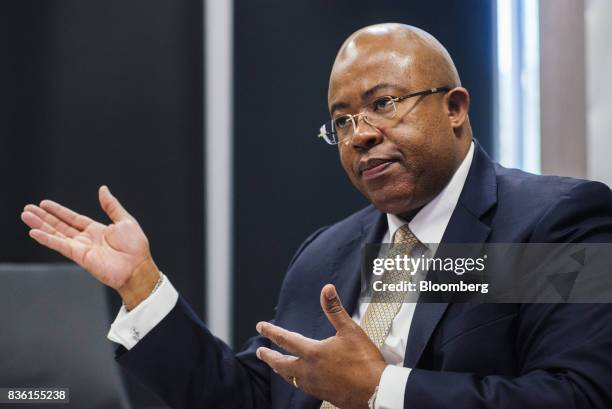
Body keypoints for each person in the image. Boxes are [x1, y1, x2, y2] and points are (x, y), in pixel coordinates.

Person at [20, 23, 612, 409]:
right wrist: (140, 286)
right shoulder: (327, 254)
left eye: (383, 104)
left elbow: (579, 396)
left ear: (455, 107)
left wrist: (383, 390)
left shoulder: (550, 222)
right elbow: (249, 398)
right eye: (343, 121)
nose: (360, 136)